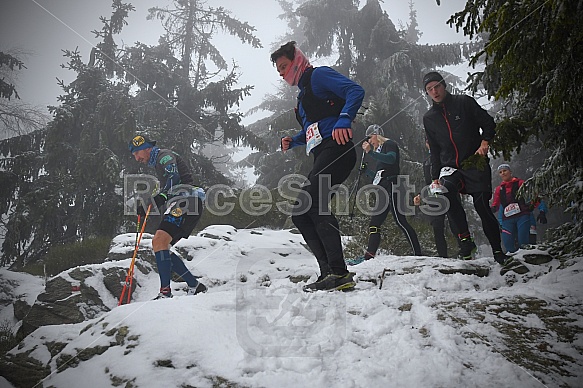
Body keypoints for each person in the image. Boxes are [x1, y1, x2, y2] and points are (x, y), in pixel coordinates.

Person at [271, 41, 364, 291]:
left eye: (284, 66)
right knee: (300, 213)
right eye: (278, 70)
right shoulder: (302, 98)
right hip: (322, 152)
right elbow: (315, 129)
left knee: (314, 203)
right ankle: (327, 273)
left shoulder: (318, 75)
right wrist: (295, 140)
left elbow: (355, 91)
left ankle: (340, 272)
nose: (281, 73)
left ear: (297, 60)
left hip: (339, 148)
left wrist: (345, 119)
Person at [422, 71, 525, 274]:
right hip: (450, 166)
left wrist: (485, 142)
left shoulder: (464, 103)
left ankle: (497, 251)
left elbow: (488, 123)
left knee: (482, 207)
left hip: (474, 162)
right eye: (429, 89)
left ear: (444, 86)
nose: (434, 92)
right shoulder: (429, 118)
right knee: (445, 193)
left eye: (437, 87)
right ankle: (465, 242)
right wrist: (435, 176)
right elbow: (434, 149)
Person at [128, 134, 207, 298]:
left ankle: (165, 292)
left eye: (137, 153)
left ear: (147, 148)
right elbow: (167, 189)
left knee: (159, 241)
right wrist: (150, 204)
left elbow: (174, 177)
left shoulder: (164, 156)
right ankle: (194, 285)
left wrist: (158, 199)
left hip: (187, 200)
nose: (136, 158)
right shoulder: (158, 162)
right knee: (160, 245)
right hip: (184, 201)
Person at [346, 124, 421, 265]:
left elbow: (391, 159)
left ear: (376, 135)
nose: (369, 142)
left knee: (400, 221)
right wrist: (367, 171)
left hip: (392, 185)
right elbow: (379, 176)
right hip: (383, 188)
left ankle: (418, 253)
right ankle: (369, 256)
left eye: (370, 138)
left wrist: (371, 153)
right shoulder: (379, 154)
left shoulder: (389, 144)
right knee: (374, 223)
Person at [413, 138, 460, 258]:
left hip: (449, 192)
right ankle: (442, 256)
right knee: (437, 226)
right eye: (428, 141)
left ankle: (465, 251)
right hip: (434, 196)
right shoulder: (427, 161)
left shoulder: (446, 155)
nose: (430, 144)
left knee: (456, 223)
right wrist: (420, 194)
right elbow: (428, 182)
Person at [492, 163, 548, 252]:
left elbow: (533, 197)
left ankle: (530, 261)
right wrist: (494, 213)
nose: (503, 173)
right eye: (500, 172)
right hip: (507, 220)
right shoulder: (499, 189)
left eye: (505, 170)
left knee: (523, 242)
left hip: (522, 216)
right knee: (508, 244)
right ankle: (514, 263)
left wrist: (542, 211)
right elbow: (497, 205)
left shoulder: (520, 183)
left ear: (510, 172)